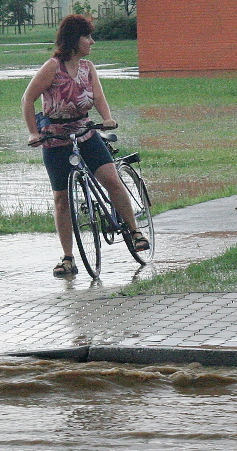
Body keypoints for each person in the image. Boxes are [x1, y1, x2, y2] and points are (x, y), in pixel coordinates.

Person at [22, 14, 150, 277]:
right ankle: (68, 258)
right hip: (56, 139)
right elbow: (28, 99)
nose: (92, 42)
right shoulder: (51, 68)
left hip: (86, 132)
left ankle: (135, 231)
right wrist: (34, 133)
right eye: (87, 36)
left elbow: (99, 97)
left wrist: (107, 118)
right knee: (61, 200)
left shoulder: (88, 67)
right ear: (73, 39)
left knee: (111, 180)